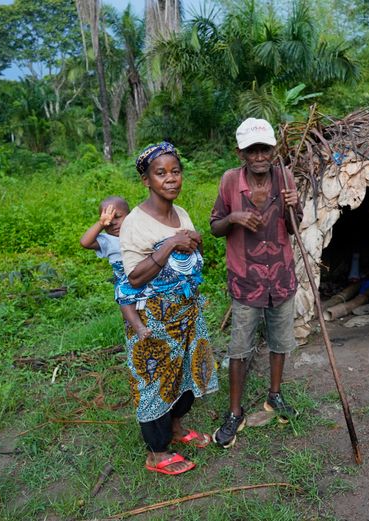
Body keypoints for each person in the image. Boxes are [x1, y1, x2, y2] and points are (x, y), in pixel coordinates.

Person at [119, 141, 218, 475]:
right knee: (155, 384)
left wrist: (193, 240)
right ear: (147, 180)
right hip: (154, 319)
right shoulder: (135, 222)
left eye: (176, 172)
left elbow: (189, 251)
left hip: (185, 313)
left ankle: (176, 429)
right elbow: (134, 278)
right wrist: (171, 244)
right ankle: (157, 453)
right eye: (161, 173)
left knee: (185, 377)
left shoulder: (182, 213)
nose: (171, 179)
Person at [210, 117, 303, 449]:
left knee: (280, 342)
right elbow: (215, 226)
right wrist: (233, 218)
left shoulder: (285, 178)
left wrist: (296, 206)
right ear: (241, 153)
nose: (260, 156)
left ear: (274, 150)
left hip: (281, 277)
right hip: (246, 279)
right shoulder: (230, 182)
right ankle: (234, 413)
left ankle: (274, 396)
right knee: (239, 347)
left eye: (265, 149)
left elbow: (294, 228)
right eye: (252, 151)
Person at [79, 196, 152, 340]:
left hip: (145, 274)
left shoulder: (139, 231)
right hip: (125, 280)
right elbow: (85, 242)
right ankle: (139, 328)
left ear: (130, 215)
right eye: (108, 222)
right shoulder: (108, 240)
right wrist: (101, 224)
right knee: (124, 300)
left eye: (117, 217)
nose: (113, 223)